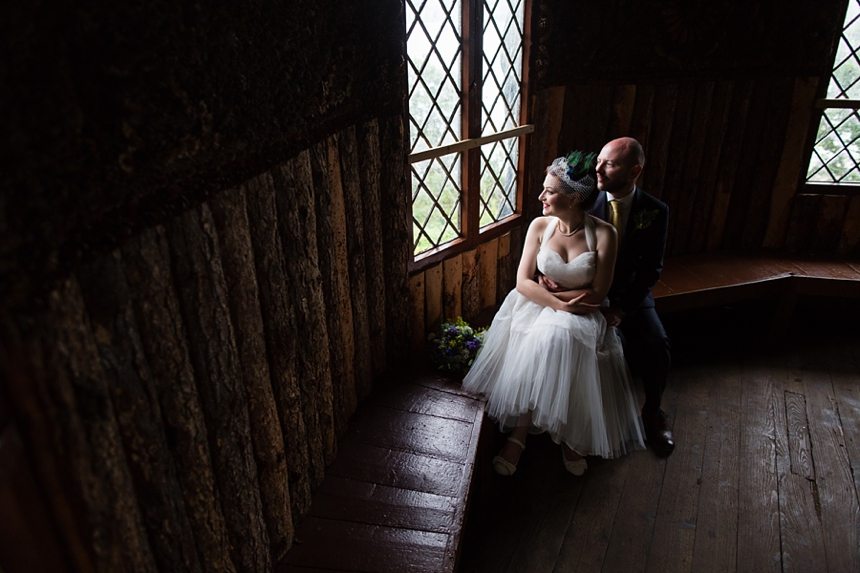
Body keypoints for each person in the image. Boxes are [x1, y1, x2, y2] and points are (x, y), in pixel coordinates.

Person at [462, 151, 645, 477]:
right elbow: (522, 283)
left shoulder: (604, 234)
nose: (541, 196)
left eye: (549, 191)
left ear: (573, 198)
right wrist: (559, 303)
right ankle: (519, 433)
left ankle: (569, 434)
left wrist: (559, 297)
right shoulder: (540, 226)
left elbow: (599, 292)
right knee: (548, 335)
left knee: (561, 336)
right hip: (539, 305)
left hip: (585, 313)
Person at [588, 137, 674, 457]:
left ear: (634, 170)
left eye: (609, 164)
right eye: (599, 160)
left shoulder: (654, 211)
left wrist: (622, 309)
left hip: (630, 297)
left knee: (657, 344)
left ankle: (652, 413)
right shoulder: (584, 201)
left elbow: (652, 270)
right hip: (584, 292)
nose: (598, 168)